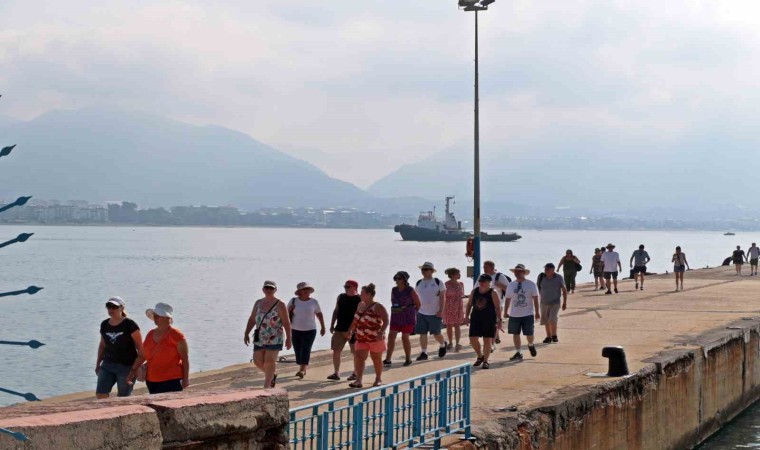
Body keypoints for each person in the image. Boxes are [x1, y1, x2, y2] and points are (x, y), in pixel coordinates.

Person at [129, 303, 189, 394]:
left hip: (172, 379)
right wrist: (132, 371)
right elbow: (142, 356)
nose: (155, 318)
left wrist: (186, 378)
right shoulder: (150, 334)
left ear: (166, 318)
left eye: (158, 316)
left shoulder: (177, 335)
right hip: (152, 380)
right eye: (154, 316)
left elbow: (185, 359)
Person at [244, 280, 292, 388]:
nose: (269, 290)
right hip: (260, 336)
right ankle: (271, 375)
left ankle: (267, 386)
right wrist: (246, 333)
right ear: (263, 289)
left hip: (275, 336)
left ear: (275, 290)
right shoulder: (258, 303)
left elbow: (286, 322)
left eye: (271, 288)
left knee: (269, 361)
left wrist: (289, 338)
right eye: (267, 288)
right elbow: (252, 319)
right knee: (257, 360)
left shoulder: (280, 304)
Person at [95, 297, 142, 399]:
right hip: (107, 365)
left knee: (123, 397)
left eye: (114, 307)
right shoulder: (104, 324)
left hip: (126, 366)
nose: (111, 309)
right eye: (108, 306)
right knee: (100, 394)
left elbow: (140, 348)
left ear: (122, 308)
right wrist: (98, 363)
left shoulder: (130, 324)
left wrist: (136, 368)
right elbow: (102, 345)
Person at [347, 283, 389, 388]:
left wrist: (381, 332)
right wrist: (350, 330)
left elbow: (386, 320)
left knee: (376, 359)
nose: (360, 295)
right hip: (361, 337)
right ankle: (358, 380)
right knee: (359, 357)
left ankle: (378, 379)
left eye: (362, 293)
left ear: (369, 294)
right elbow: (355, 319)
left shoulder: (378, 306)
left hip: (375, 338)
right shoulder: (360, 305)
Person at [287, 282, 326, 379]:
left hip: (310, 330)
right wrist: (290, 310)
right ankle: (302, 368)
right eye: (304, 289)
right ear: (299, 291)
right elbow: (286, 314)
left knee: (306, 348)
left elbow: (319, 314)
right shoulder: (293, 301)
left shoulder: (314, 302)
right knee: (297, 349)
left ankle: (302, 369)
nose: (306, 291)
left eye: (307, 289)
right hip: (295, 329)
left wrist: (323, 327)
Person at [464, 274, 501, 369]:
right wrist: (466, 316)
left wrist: (499, 320)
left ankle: (486, 361)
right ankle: (480, 356)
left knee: (487, 340)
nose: (481, 283)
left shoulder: (493, 292)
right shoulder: (474, 291)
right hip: (476, 318)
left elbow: (497, 307)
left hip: (489, 319)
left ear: (489, 282)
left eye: (483, 281)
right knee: (472, 338)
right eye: (480, 281)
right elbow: (469, 304)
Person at [326, 280, 361, 381]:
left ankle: (355, 373)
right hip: (339, 328)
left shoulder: (359, 299)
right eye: (345, 286)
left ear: (355, 287)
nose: (346, 288)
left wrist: (354, 329)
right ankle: (336, 373)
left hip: (354, 330)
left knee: (355, 352)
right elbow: (336, 311)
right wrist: (332, 324)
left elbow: (359, 315)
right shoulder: (341, 297)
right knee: (336, 351)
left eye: (348, 287)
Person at [384, 271, 420, 367]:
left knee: (405, 337)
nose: (397, 280)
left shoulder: (410, 290)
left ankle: (408, 359)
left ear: (404, 279)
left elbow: (418, 303)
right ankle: (388, 359)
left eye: (399, 278)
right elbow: (393, 301)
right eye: (396, 278)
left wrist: (412, 312)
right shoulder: (394, 290)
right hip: (396, 315)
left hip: (408, 317)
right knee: (391, 336)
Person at [504, 264, 540, 360]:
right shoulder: (511, 285)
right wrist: (505, 311)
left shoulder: (531, 284)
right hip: (514, 314)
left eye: (519, 271)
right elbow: (508, 298)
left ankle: (530, 344)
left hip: (528, 313)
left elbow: (535, 298)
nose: (517, 273)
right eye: (516, 271)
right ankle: (518, 352)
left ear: (524, 272)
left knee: (529, 334)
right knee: (515, 333)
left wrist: (537, 312)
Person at [414, 262, 447, 361]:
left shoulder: (438, 282)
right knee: (422, 333)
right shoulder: (419, 283)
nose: (423, 271)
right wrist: (415, 310)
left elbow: (442, 297)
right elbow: (416, 297)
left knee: (436, 333)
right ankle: (424, 352)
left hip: (435, 313)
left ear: (431, 271)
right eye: (422, 269)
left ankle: (442, 344)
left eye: (426, 269)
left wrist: (441, 310)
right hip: (421, 312)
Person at [537, 264, 567, 343]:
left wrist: (564, 302)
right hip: (544, 302)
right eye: (545, 269)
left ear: (553, 270)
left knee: (552, 319)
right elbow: (538, 288)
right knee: (546, 320)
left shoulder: (559, 278)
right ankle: (548, 337)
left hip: (555, 302)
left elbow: (564, 290)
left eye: (547, 269)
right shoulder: (541, 277)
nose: (546, 271)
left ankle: (554, 336)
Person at [482, 261, 510, 345]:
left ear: (492, 267)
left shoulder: (500, 276)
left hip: (497, 304)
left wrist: (500, 285)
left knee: (493, 323)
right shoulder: (482, 277)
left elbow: (509, 289)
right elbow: (476, 288)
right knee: (488, 324)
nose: (484, 269)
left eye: (485, 267)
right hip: (484, 305)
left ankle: (491, 344)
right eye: (483, 267)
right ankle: (496, 337)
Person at [442, 268, 466, 352]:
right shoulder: (446, 284)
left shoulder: (461, 284)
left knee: (457, 325)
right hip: (449, 306)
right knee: (449, 325)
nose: (460, 275)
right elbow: (443, 296)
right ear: (452, 275)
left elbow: (462, 295)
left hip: (458, 306)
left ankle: (457, 343)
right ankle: (450, 342)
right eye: (458, 273)